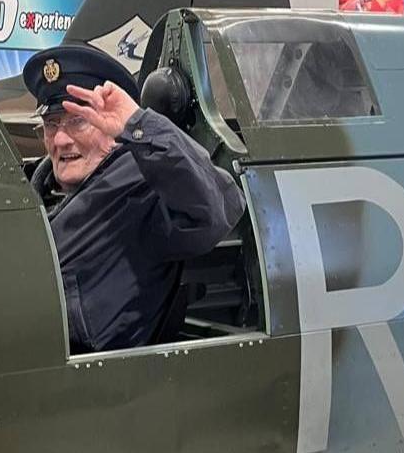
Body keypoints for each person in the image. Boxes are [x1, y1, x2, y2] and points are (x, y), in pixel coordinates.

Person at [24, 45, 246, 354]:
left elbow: (219, 206)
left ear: (111, 127)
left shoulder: (142, 185)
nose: (60, 139)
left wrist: (138, 125)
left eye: (77, 121)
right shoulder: (35, 188)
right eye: (52, 124)